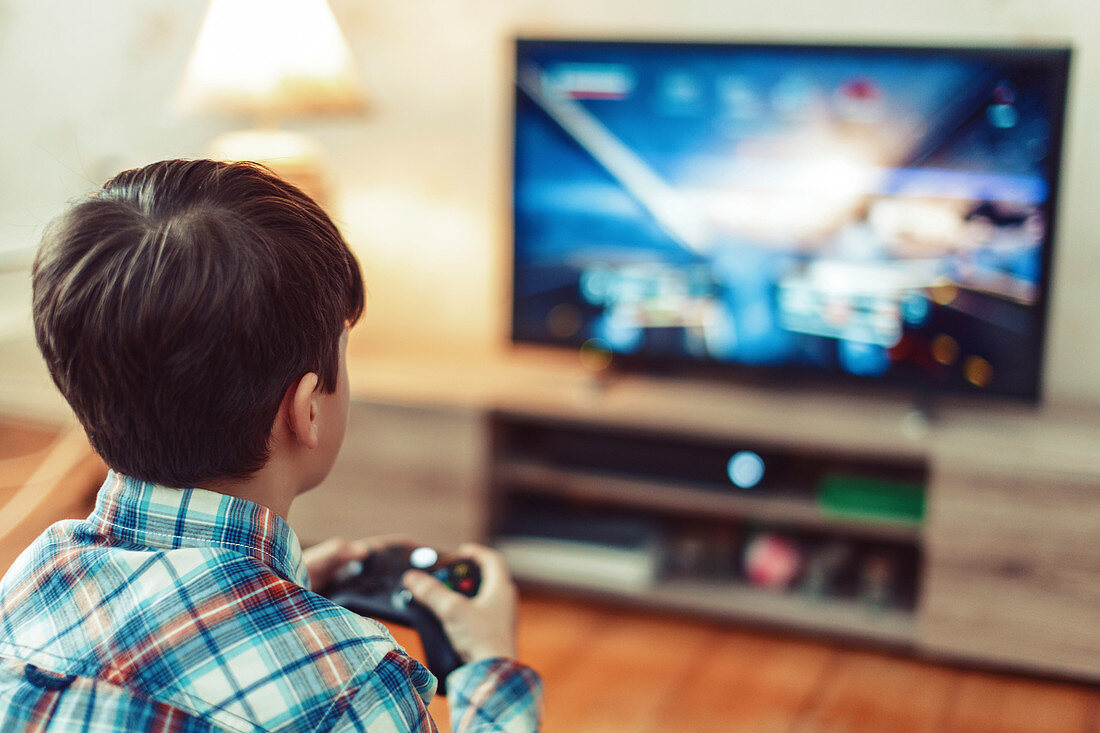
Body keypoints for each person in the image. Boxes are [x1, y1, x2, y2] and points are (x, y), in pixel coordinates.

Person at [0, 159, 542, 731]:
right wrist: (491, 668)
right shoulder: (353, 687)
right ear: (307, 408)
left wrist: (289, 587)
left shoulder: (32, 578)